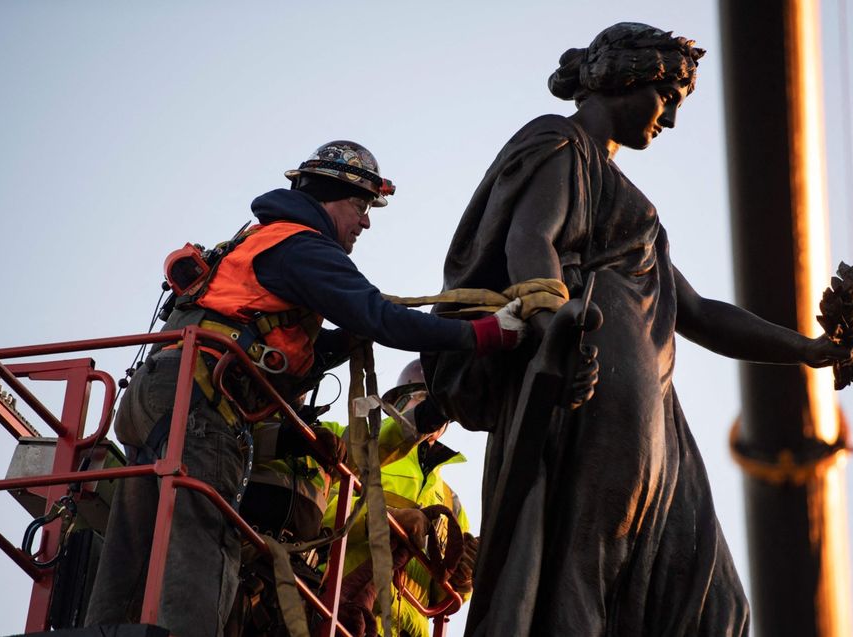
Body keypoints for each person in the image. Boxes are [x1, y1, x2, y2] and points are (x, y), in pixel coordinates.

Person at [423, 23, 853, 637]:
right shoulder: (558, 141)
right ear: (626, 77)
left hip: (652, 401)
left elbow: (703, 314)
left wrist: (809, 350)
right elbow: (531, 241)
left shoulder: (636, 207)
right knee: (586, 557)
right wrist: (556, 335)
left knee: (716, 601)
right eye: (668, 96)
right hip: (594, 373)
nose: (672, 120)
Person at [85, 141, 527, 637]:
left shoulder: (263, 241)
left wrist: (345, 340)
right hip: (202, 402)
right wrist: (485, 334)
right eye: (360, 207)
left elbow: (283, 341)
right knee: (206, 533)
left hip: (160, 390)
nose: (365, 223)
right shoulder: (304, 247)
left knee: (134, 537)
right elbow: (380, 315)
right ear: (331, 197)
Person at [322, 360, 476, 637]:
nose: (434, 415)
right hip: (337, 608)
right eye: (422, 399)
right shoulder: (350, 447)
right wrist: (383, 519)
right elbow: (316, 510)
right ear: (396, 403)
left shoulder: (451, 502)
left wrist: (462, 580)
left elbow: (439, 598)